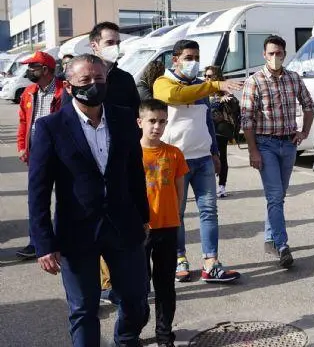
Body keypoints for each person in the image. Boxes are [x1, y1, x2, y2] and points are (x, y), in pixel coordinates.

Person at [28, 54, 150, 347]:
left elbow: (135, 172)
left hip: (123, 225)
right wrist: (44, 242)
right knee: (83, 310)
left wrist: (143, 217)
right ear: (69, 87)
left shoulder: (123, 118)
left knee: (136, 300)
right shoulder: (50, 128)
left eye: (99, 79)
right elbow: (39, 190)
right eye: (86, 81)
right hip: (76, 231)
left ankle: (125, 339)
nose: (94, 85)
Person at [153, 39, 243, 283]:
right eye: (188, 58)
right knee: (177, 214)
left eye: (196, 57)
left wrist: (215, 153)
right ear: (176, 60)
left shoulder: (202, 87)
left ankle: (211, 262)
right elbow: (176, 95)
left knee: (209, 212)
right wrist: (214, 85)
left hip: (202, 158)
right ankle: (179, 258)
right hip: (175, 160)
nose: (193, 62)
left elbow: (207, 122)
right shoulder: (163, 83)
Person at [240, 35, 314, 268]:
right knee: (274, 196)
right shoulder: (255, 81)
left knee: (279, 196)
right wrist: (253, 150)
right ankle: (282, 245)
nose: (275, 57)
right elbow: (247, 118)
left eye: (279, 53)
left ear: (284, 54)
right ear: (264, 55)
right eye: (271, 53)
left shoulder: (293, 78)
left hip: (288, 143)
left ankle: (270, 237)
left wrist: (304, 132)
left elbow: (309, 105)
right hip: (266, 144)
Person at [137, 99, 189, 347]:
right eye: (152, 121)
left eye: (162, 122)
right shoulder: (131, 153)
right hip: (141, 229)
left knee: (165, 284)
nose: (157, 127)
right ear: (140, 122)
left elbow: (180, 188)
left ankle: (164, 333)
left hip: (168, 227)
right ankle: (134, 329)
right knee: (138, 285)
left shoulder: (174, 153)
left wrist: (176, 214)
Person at [15, 51, 65, 259]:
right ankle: (36, 242)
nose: (28, 71)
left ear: (45, 70)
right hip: (37, 152)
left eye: (32, 67)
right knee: (37, 198)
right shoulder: (28, 92)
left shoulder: (65, 92)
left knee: (65, 197)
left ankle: (62, 239)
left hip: (62, 153)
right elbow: (24, 122)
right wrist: (22, 146)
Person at [62, 21, 140, 112]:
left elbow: (136, 111)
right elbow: (67, 112)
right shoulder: (77, 75)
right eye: (110, 43)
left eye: (118, 43)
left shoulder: (125, 78)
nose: (115, 47)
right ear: (94, 46)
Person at [204, 65, 240, 198]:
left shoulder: (224, 91)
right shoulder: (203, 90)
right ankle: (209, 185)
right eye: (205, 76)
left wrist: (225, 99)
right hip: (205, 130)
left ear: (216, 77)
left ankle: (221, 186)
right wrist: (217, 100)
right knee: (207, 158)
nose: (206, 78)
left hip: (220, 130)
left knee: (221, 157)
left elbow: (234, 105)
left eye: (210, 76)